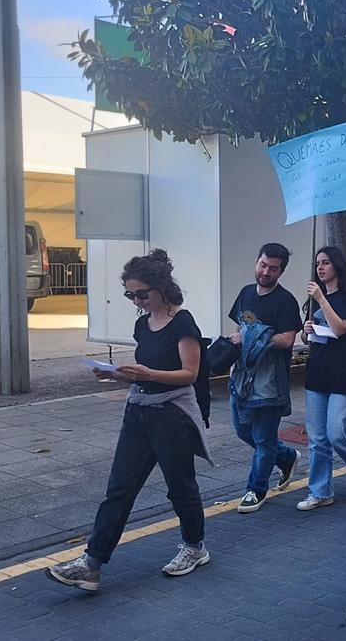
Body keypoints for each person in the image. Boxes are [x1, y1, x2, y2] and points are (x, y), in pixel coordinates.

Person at [47, 249, 213, 591]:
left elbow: (189, 374)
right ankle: (92, 563)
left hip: (173, 415)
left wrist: (147, 373)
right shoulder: (143, 324)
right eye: (130, 295)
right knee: (119, 490)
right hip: (139, 411)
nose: (137, 301)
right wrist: (116, 376)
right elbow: (144, 375)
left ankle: (194, 547)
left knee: (180, 487)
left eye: (141, 294)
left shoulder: (183, 323)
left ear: (160, 288)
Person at [228, 243, 302, 513]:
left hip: (270, 380)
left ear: (281, 271)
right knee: (242, 430)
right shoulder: (246, 293)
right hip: (242, 378)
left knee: (263, 438)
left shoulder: (286, 300)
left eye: (273, 268)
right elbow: (239, 326)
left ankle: (256, 489)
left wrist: (253, 336)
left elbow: (287, 339)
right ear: (257, 262)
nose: (266, 272)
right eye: (263, 265)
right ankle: (286, 456)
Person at [298, 246, 346, 511]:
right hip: (317, 372)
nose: (320, 267)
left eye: (325, 262)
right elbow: (308, 338)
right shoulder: (315, 299)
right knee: (317, 438)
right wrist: (305, 332)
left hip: (342, 373)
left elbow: (340, 328)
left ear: (337, 265)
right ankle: (320, 490)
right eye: (317, 263)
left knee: (338, 433)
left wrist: (322, 300)